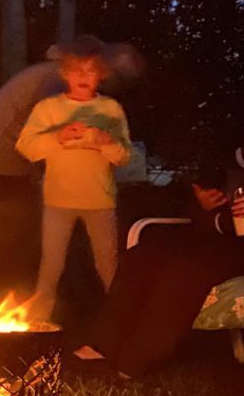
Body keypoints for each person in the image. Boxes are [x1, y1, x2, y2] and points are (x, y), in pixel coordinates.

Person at [0, 41, 144, 292]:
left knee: (10, 234)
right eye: (119, 79)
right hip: (0, 158)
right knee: (13, 234)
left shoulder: (55, 74)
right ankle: (3, 295)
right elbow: (50, 140)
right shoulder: (57, 86)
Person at [76, 138, 244, 377]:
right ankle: (104, 344)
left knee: (188, 268)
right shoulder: (231, 161)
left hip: (234, 246)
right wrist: (207, 205)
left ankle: (137, 356)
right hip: (221, 235)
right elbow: (209, 214)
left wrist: (219, 221)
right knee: (146, 253)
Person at [16, 36, 132, 320]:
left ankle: (121, 322)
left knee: (108, 266)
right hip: (58, 201)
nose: (83, 76)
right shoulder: (48, 109)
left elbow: (124, 156)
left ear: (101, 75)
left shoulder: (110, 110)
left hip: (100, 201)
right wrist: (58, 136)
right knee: (50, 267)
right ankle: (35, 327)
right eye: (76, 70)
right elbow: (26, 147)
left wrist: (105, 141)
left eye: (90, 70)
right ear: (65, 73)